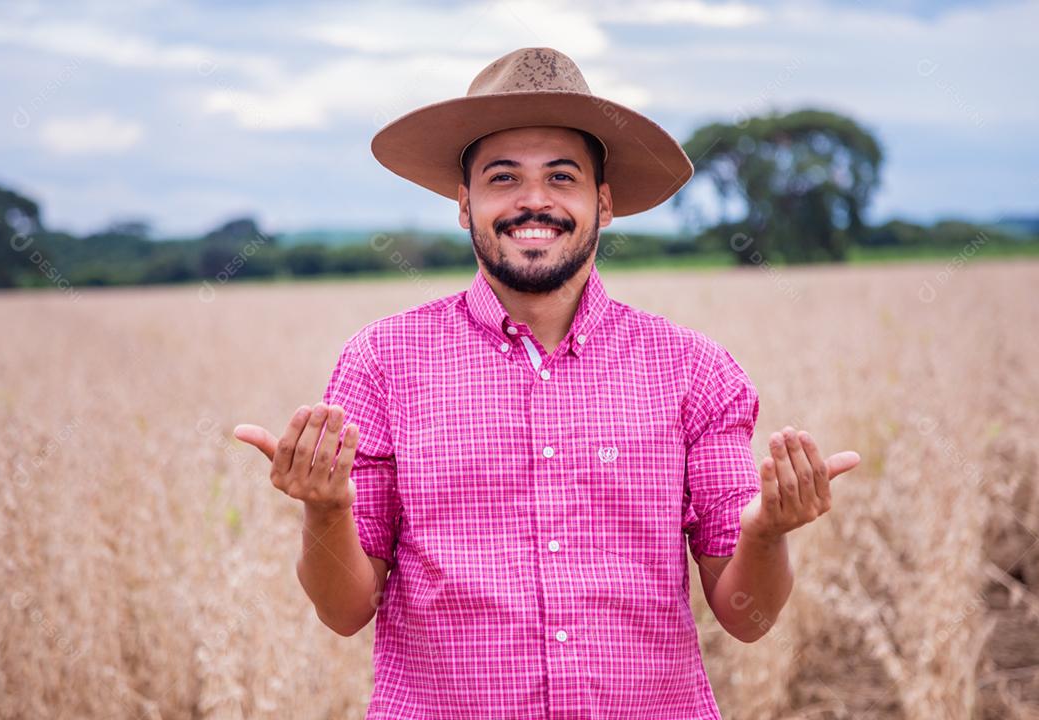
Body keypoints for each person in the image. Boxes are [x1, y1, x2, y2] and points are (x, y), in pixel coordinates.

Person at [234, 47, 861, 720]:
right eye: (503, 178)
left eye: (561, 177)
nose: (534, 200)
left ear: (603, 202)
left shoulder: (694, 370)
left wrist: (766, 533)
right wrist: (325, 511)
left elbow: (747, 616)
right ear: (465, 203)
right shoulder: (382, 362)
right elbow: (344, 611)